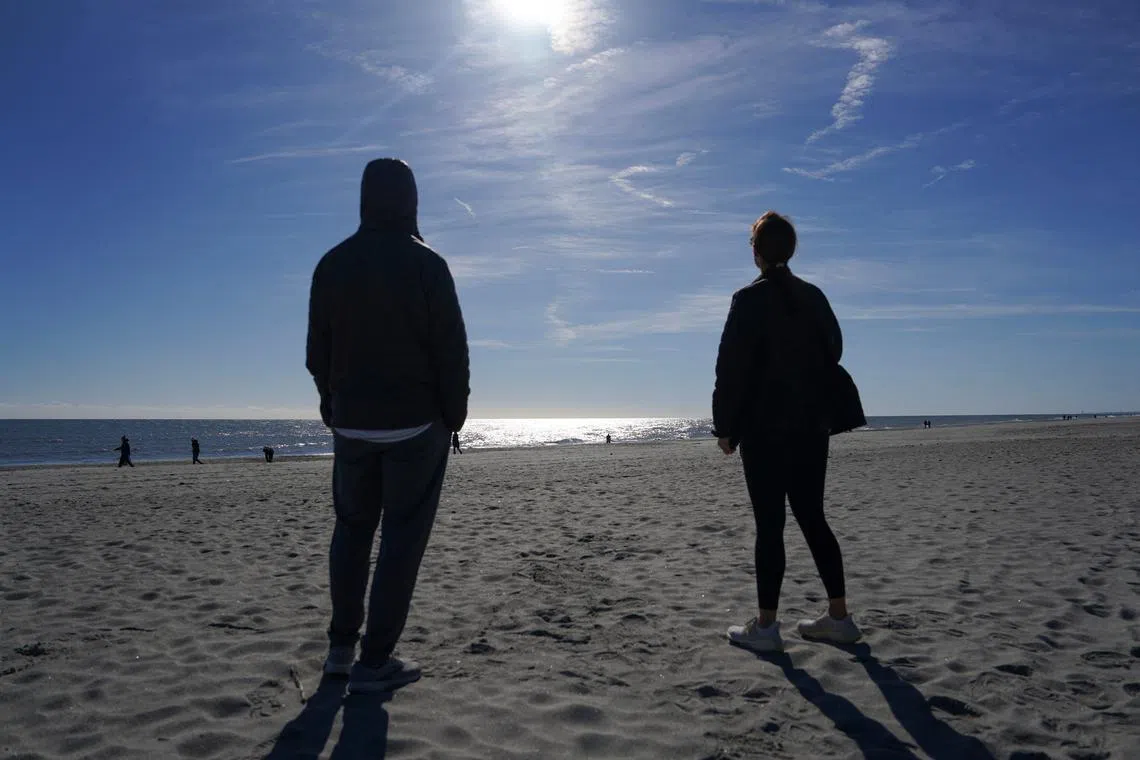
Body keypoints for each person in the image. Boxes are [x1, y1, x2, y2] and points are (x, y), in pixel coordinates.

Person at [307, 157, 470, 694]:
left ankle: (339, 649)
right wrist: (455, 415)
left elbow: (317, 352)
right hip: (415, 426)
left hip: (353, 424)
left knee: (351, 532)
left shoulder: (332, 264)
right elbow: (451, 350)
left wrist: (332, 403)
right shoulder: (428, 264)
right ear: (411, 199)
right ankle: (373, 663)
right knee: (400, 542)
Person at [712, 211, 860, 653]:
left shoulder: (748, 299)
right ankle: (839, 617)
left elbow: (730, 369)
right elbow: (834, 347)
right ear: (790, 251)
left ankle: (766, 626)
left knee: (770, 525)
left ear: (756, 252)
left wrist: (725, 428)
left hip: (765, 428)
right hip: (812, 424)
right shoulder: (812, 295)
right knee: (813, 517)